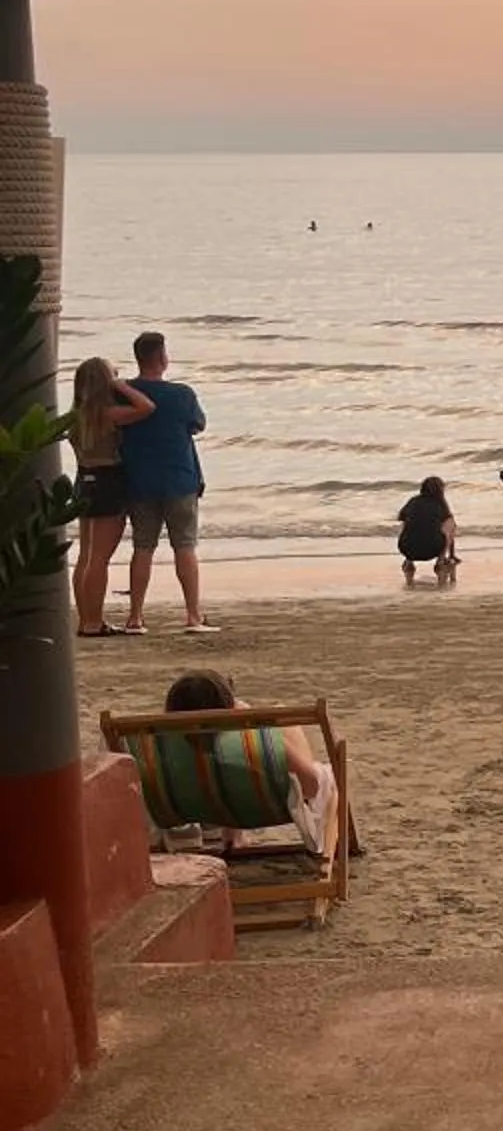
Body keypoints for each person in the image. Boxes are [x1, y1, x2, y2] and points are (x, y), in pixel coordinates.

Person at [162, 669, 337, 860]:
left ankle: (233, 836)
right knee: (281, 718)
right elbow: (311, 786)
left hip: (201, 809)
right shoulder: (248, 744)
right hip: (264, 804)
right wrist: (260, 727)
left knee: (227, 764)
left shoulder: (163, 749)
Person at [118, 328, 217, 637]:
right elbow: (197, 425)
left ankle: (135, 616)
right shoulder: (181, 395)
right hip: (179, 478)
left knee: (142, 547)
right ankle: (192, 614)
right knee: (185, 546)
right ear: (162, 357)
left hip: (139, 478)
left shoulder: (123, 392)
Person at [67, 356, 154, 638]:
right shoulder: (108, 413)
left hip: (84, 480)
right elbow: (146, 407)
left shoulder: (76, 416)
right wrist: (121, 384)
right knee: (99, 558)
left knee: (86, 556)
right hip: (107, 481)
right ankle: (94, 622)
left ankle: (86, 619)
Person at [396, 475, 459, 586]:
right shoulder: (440, 504)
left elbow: (400, 517)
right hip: (432, 549)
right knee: (450, 522)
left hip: (407, 549)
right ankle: (441, 560)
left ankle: (409, 561)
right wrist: (452, 555)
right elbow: (451, 529)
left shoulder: (413, 501)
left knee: (406, 521)